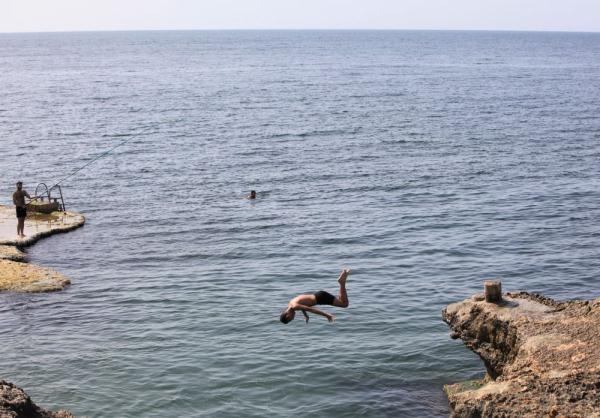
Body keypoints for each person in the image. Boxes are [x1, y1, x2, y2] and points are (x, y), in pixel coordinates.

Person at [280, 268, 350, 324]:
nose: (293, 318)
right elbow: (302, 306)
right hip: (319, 295)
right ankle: (343, 279)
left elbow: (311, 309)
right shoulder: (291, 304)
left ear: (287, 315)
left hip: (321, 298)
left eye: (291, 319)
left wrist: (327, 315)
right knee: (341, 301)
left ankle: (342, 282)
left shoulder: (294, 306)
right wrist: (306, 316)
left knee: (344, 304)